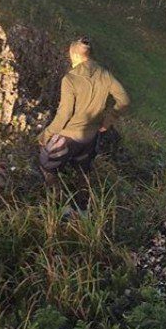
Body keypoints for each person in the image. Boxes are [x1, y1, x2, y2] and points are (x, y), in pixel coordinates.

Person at [38, 35, 130, 212]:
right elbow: (124, 100)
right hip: (91, 137)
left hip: (68, 137)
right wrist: (108, 121)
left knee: (46, 165)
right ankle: (82, 209)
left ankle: (61, 209)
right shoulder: (105, 74)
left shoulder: (70, 80)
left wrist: (46, 135)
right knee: (83, 171)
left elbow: (64, 114)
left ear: (74, 55)